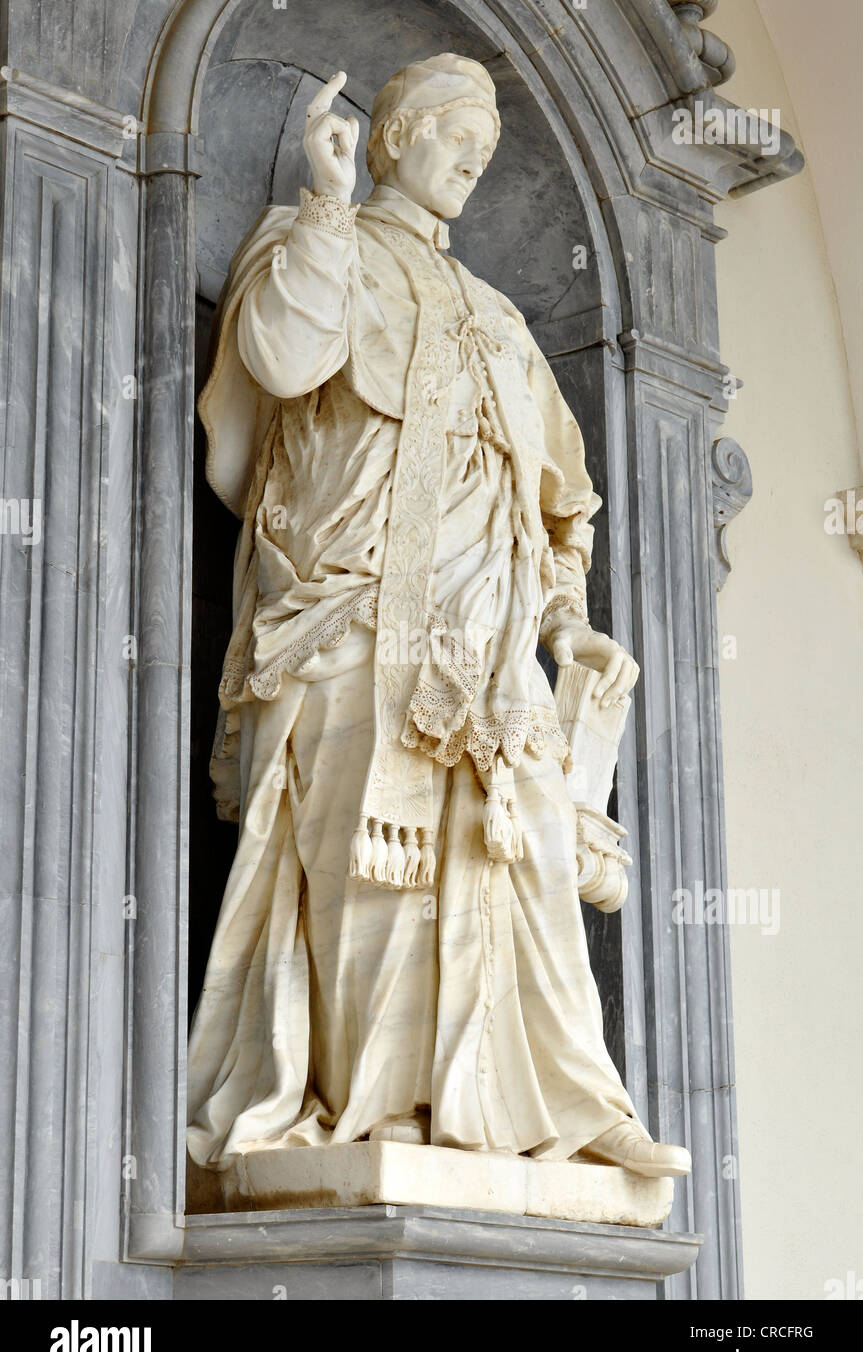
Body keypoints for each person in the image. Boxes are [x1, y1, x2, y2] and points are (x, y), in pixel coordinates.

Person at [187, 54, 690, 1181]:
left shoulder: (502, 318)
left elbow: (558, 499)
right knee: (375, 872)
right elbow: (278, 353)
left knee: (523, 864)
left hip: (486, 646)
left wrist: (566, 624)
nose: (475, 154)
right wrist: (320, 202)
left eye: (489, 141)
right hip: (350, 621)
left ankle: (566, 1100)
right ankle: (376, 1109)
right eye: (456, 129)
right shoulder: (310, 240)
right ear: (389, 136)